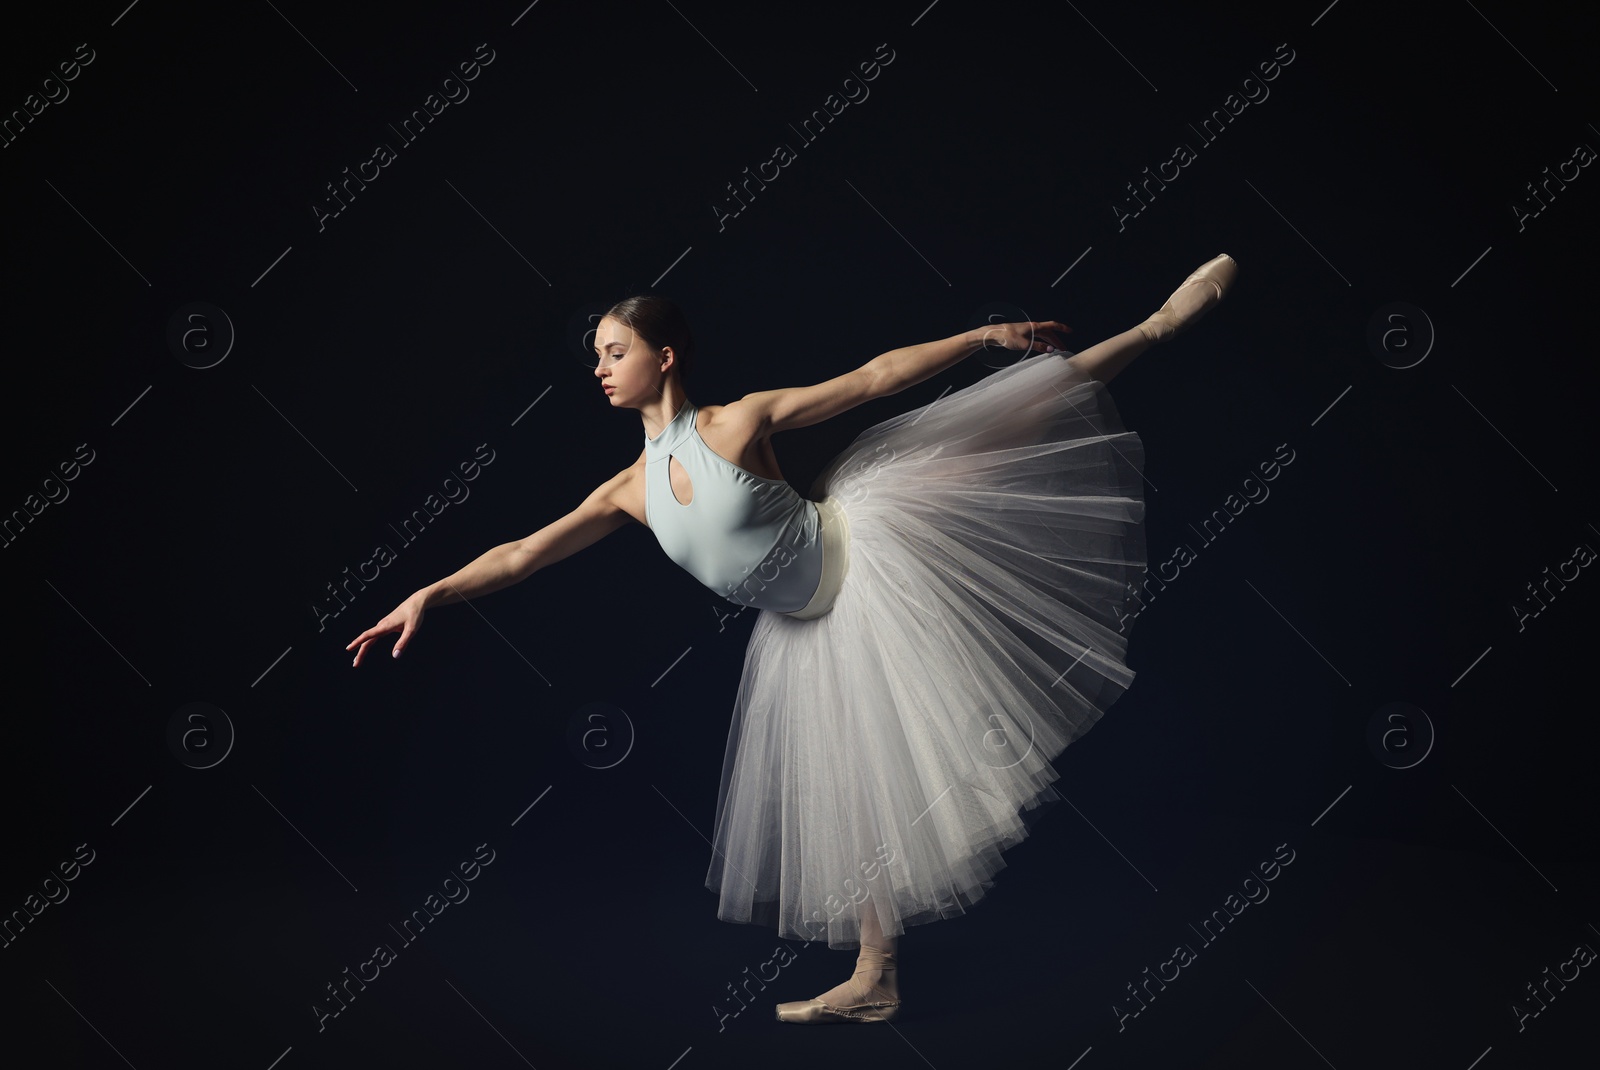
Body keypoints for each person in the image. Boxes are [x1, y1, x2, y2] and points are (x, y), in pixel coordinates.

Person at [346, 254, 1239, 1025]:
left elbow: (875, 377)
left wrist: (982, 338)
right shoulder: (626, 489)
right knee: (857, 791)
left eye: (614, 353)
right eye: (595, 360)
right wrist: (432, 590)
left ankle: (1157, 326)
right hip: (808, 630)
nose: (601, 370)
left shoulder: (736, 422)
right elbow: (522, 554)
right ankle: (874, 979)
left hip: (870, 554)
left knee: (1004, 426)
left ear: (664, 356)